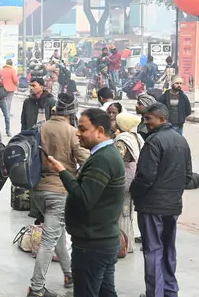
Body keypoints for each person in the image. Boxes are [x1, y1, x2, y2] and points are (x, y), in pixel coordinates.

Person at [44, 108, 125, 297]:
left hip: (93, 245)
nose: (77, 133)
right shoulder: (103, 155)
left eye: (82, 128)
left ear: (100, 131)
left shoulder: (102, 160)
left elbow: (83, 199)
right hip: (102, 239)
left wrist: (62, 172)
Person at [26, 94, 89, 297]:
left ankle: (69, 273)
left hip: (39, 190)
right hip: (60, 191)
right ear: (72, 112)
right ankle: (36, 289)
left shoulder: (40, 127)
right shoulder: (72, 132)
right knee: (48, 241)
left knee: (58, 234)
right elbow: (85, 160)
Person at [131, 103, 193, 297]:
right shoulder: (181, 141)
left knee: (153, 251)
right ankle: (169, 290)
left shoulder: (154, 142)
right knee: (167, 249)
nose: (146, 122)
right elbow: (188, 176)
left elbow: (145, 177)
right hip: (172, 206)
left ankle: (155, 293)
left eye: (149, 118)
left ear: (162, 119)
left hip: (152, 206)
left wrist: (134, 193)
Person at [113, 112, 144, 254]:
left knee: (122, 213)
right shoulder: (136, 137)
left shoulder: (122, 140)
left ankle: (122, 246)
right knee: (128, 212)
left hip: (123, 181)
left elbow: (116, 160)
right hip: (133, 178)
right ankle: (128, 244)